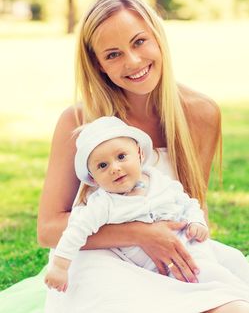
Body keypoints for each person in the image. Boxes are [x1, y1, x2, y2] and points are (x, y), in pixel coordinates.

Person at [34, 0, 249, 313]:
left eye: (139, 41)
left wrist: (182, 245)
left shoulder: (202, 112)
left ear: (158, 37)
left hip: (168, 250)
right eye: (113, 54)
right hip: (101, 260)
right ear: (99, 65)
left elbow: (194, 205)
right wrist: (141, 234)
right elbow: (49, 229)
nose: (133, 62)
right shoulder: (79, 121)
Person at [44, 116, 249, 297]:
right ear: (93, 179)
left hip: (192, 242)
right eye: (102, 166)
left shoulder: (158, 181)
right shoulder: (104, 204)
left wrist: (197, 220)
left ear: (140, 155)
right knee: (214, 277)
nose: (115, 168)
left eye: (121, 156)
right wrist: (60, 267)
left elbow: (187, 202)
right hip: (168, 263)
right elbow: (75, 232)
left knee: (235, 260)